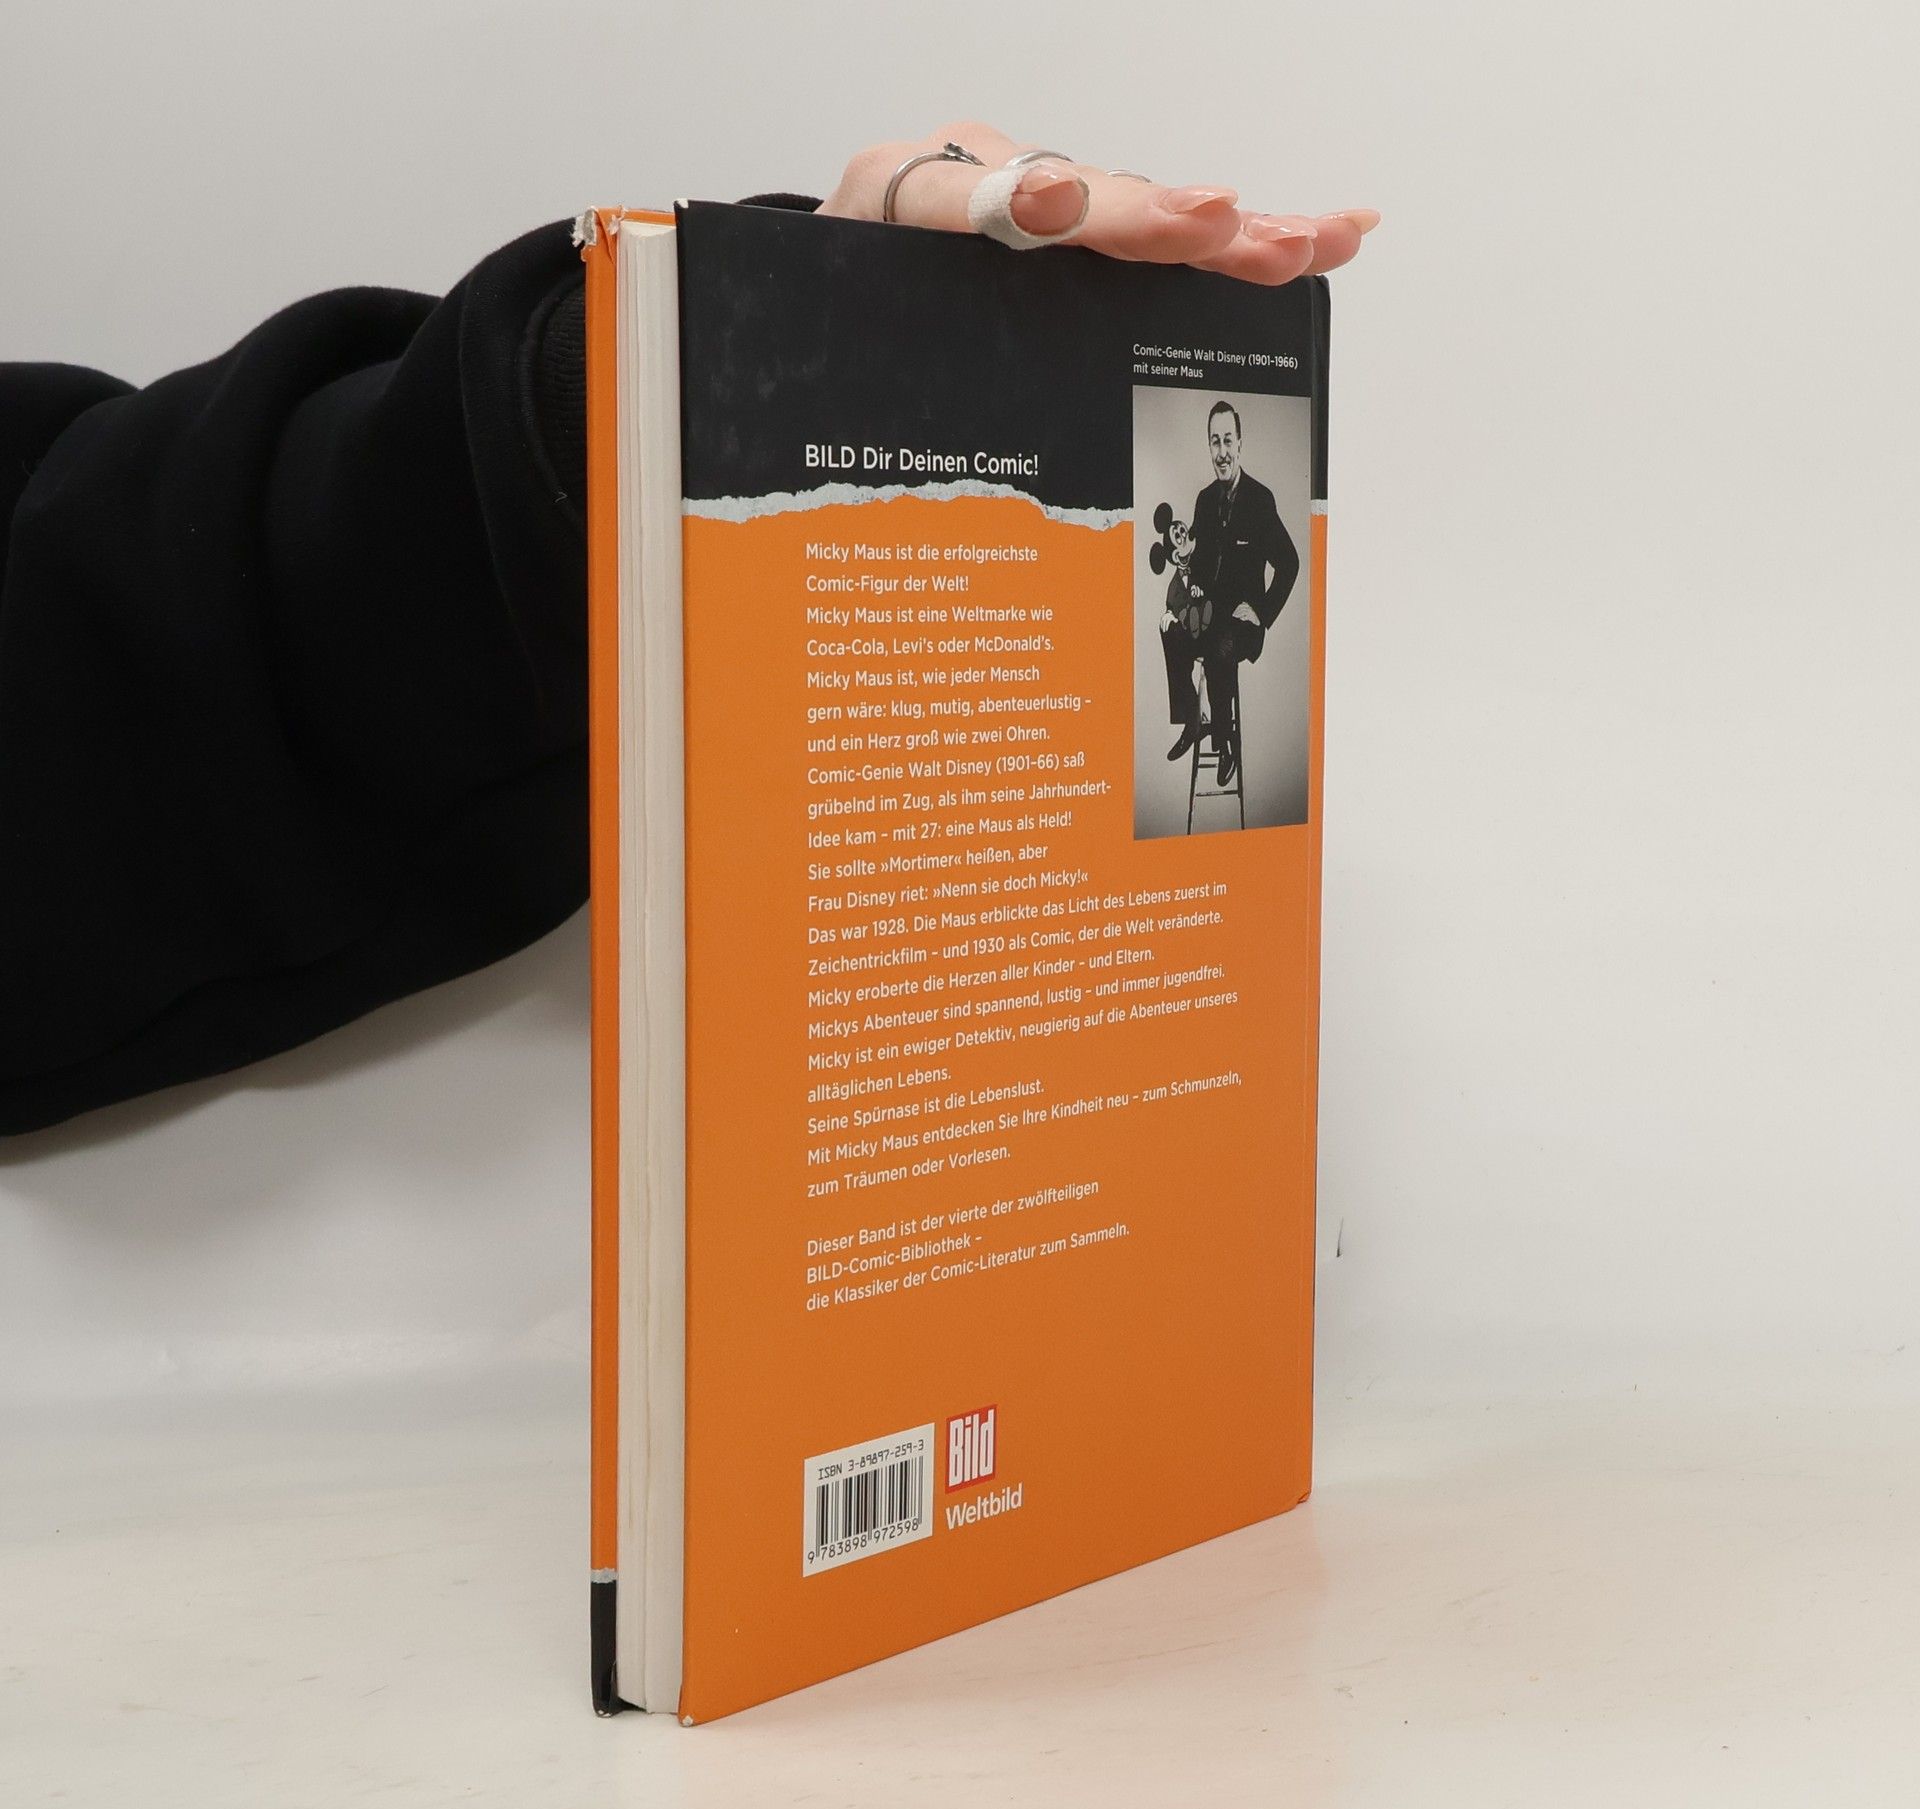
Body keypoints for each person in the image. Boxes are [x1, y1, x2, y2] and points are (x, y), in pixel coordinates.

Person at [0, 123, 1376, 1136]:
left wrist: (676, 373)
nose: (1216, 446)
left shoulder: (1251, 500)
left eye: (1221, 436)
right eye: (1209, 436)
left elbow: (90, 623)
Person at [1161, 400, 1301, 787]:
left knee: (1220, 646)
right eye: (1214, 442)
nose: (1221, 452)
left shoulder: (1260, 500)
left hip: (1241, 627)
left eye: (1227, 440)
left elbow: (1289, 563)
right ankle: (1193, 720)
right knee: (1169, 628)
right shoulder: (1204, 501)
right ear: (1208, 446)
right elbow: (1199, 566)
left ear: (1240, 442)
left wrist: (1262, 612)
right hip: (1210, 615)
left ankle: (1225, 743)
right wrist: (1186, 572)